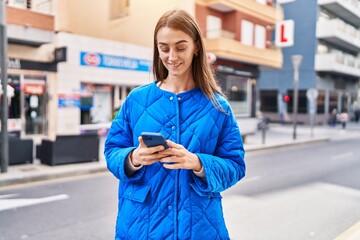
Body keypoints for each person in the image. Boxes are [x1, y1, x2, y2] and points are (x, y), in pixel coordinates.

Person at [104, 9, 246, 240]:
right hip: (140, 226)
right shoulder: (137, 100)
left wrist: (198, 163)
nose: (172, 56)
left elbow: (236, 165)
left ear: (196, 47)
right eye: (164, 48)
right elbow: (112, 151)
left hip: (200, 228)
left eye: (180, 47)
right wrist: (134, 158)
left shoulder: (218, 107)